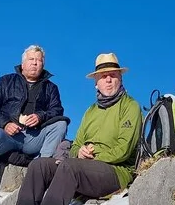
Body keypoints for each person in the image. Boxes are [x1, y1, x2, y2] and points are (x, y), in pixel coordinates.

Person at [17, 53, 142, 205]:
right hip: (84, 167)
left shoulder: (130, 106)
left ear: (120, 78)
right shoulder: (90, 111)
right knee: (39, 166)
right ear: (96, 83)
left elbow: (124, 150)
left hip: (116, 172)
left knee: (69, 166)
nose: (108, 80)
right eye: (103, 76)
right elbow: (76, 145)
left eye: (113, 75)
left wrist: (92, 156)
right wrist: (79, 152)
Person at [0, 45, 69, 203]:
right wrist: (5, 123)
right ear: (23, 64)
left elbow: (57, 110)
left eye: (39, 60)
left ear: (43, 64)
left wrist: (40, 116)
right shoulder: (6, 81)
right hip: (8, 136)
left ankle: (42, 174)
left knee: (61, 124)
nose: (35, 63)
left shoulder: (51, 88)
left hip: (34, 138)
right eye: (31, 59)